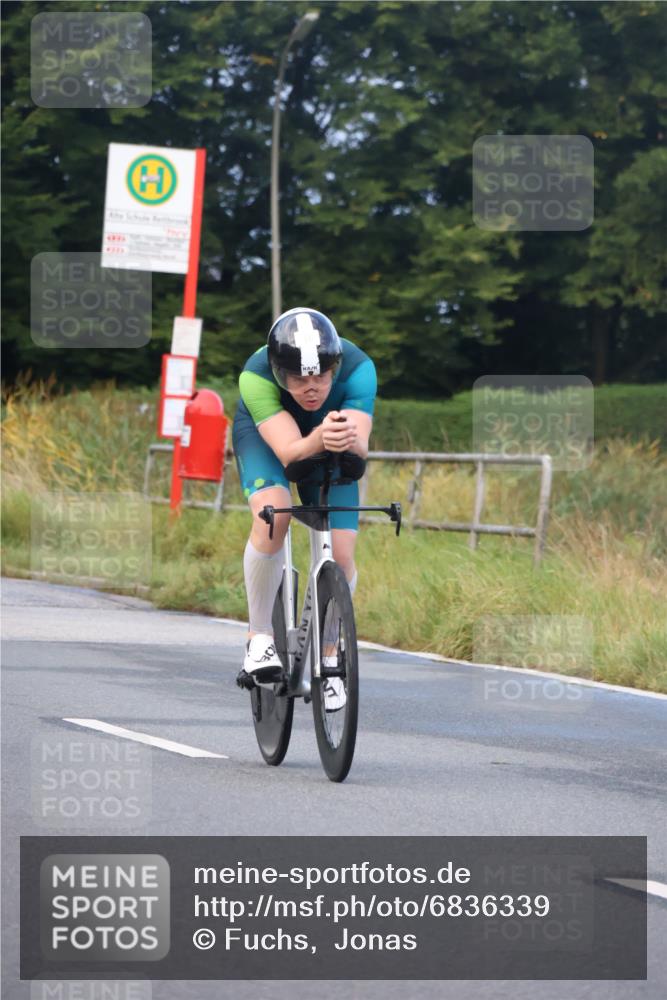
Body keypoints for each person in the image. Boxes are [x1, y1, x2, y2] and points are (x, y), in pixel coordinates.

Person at [232, 307, 377, 711]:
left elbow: (359, 449)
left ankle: (330, 652)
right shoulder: (255, 375)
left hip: (326, 440)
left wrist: (348, 438)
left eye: (321, 377)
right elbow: (291, 454)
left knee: (343, 554)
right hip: (269, 439)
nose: (312, 388)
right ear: (279, 374)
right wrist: (322, 437)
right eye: (298, 379)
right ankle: (259, 637)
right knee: (274, 515)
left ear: (336, 367)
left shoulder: (360, 369)